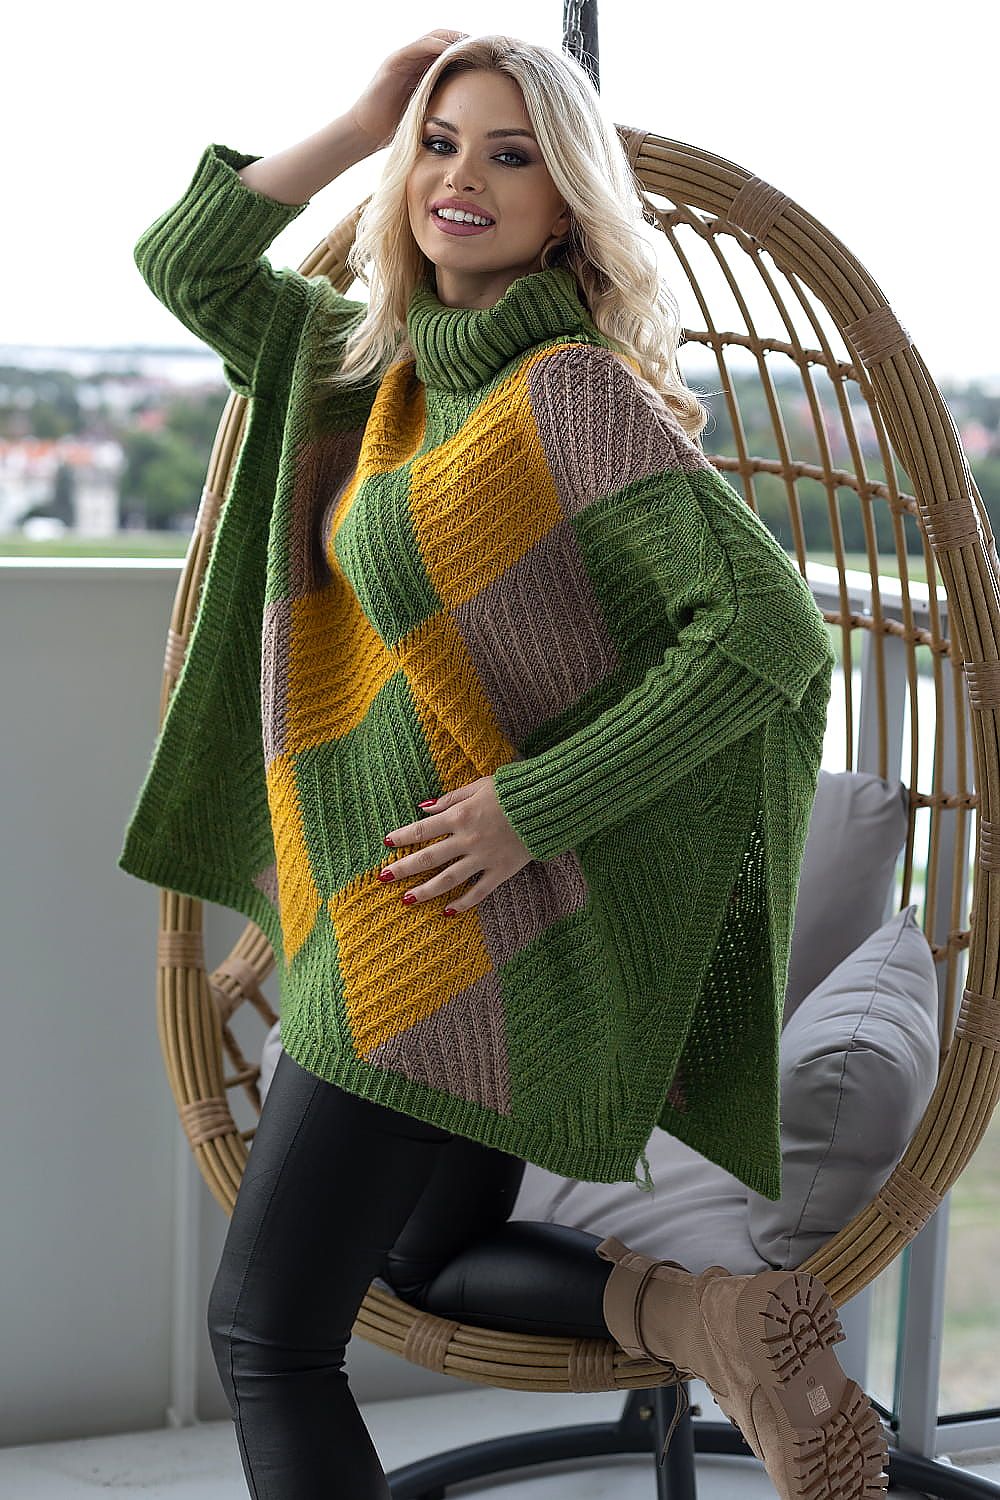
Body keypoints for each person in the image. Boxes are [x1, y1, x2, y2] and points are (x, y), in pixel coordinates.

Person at [122, 28, 888, 1500]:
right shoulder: (372, 372)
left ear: (566, 210)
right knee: (430, 1253)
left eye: (510, 154)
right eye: (442, 143)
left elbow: (768, 633)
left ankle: (717, 1327)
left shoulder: (567, 393)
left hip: (436, 925)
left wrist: (532, 809)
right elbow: (188, 262)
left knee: (267, 1338)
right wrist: (366, 116)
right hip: (417, 902)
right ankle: (713, 1321)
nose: (462, 176)